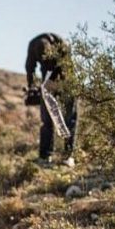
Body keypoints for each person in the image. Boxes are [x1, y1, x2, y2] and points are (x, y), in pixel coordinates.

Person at [25, 33, 77, 166]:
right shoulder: (33, 45)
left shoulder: (63, 45)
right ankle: (45, 156)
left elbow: (62, 66)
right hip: (46, 82)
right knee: (46, 119)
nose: (44, 61)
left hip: (67, 80)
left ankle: (68, 156)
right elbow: (29, 68)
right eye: (42, 59)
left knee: (69, 119)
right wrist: (31, 86)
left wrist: (51, 83)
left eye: (47, 59)